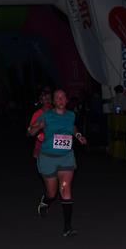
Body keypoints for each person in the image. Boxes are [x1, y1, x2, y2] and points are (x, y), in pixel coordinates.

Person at [28, 89, 87, 236]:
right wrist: (35, 127)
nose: (60, 100)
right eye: (57, 98)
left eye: (63, 97)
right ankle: (46, 201)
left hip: (66, 157)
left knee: (65, 189)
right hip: (48, 158)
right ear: (54, 102)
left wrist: (78, 135)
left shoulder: (71, 115)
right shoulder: (46, 115)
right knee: (52, 193)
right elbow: (30, 131)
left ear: (67, 100)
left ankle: (68, 227)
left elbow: (72, 127)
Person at [27, 89, 52, 159]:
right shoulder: (37, 114)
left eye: (49, 98)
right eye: (45, 99)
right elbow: (28, 132)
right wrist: (39, 127)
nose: (48, 100)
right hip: (41, 147)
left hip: (55, 147)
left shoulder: (56, 112)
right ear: (41, 101)